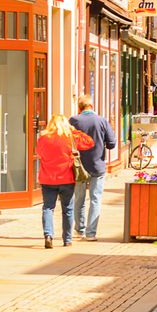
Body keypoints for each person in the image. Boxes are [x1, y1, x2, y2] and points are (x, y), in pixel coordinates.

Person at [36, 114, 94, 248]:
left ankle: (48, 235)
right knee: (67, 209)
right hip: (66, 178)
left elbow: (39, 153)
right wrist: (74, 130)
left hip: (48, 179)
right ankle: (67, 240)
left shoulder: (43, 138)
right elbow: (89, 141)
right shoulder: (71, 137)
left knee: (48, 208)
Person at [69, 95, 117, 241]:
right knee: (95, 199)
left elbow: (68, 140)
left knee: (79, 199)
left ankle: (79, 229)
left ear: (80, 107)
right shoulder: (101, 121)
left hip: (79, 166)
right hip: (97, 165)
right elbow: (112, 143)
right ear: (92, 106)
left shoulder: (74, 121)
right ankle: (91, 233)